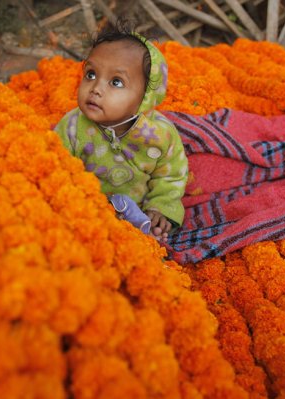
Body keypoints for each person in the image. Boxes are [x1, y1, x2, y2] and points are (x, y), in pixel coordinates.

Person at [54, 22, 188, 242]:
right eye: (90, 74)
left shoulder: (160, 136)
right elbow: (57, 168)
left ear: (145, 98)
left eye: (116, 82)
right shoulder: (71, 127)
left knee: (149, 234)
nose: (96, 88)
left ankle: (149, 229)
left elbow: (172, 175)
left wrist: (160, 208)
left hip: (137, 211)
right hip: (86, 209)